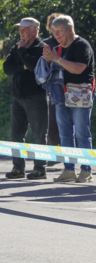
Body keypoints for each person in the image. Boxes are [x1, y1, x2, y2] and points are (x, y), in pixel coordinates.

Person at [42, 15, 95, 183]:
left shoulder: (82, 45)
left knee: (82, 133)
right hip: (61, 95)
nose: (56, 35)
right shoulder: (57, 49)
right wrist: (47, 61)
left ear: (70, 29)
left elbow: (79, 69)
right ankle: (69, 169)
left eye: (59, 32)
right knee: (65, 134)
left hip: (80, 94)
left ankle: (86, 170)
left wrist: (57, 59)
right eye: (53, 32)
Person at [2, 17, 49, 180]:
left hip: (36, 97)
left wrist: (22, 54)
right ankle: (18, 168)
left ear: (35, 30)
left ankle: (39, 169)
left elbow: (33, 65)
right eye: (19, 29)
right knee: (16, 135)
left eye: (25, 29)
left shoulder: (41, 48)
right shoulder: (17, 46)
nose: (21, 32)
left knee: (39, 134)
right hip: (18, 98)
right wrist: (22, 65)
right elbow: (6, 68)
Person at [43, 13, 62, 153]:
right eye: (52, 24)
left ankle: (76, 153)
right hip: (52, 88)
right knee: (52, 122)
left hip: (69, 86)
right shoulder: (46, 44)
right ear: (49, 27)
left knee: (72, 122)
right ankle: (54, 153)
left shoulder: (71, 41)